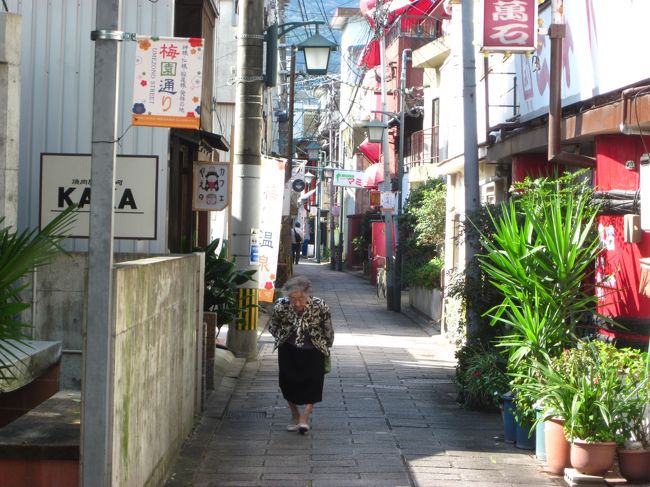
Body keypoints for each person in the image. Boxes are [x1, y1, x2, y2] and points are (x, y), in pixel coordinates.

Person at [268, 276, 334, 434]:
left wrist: (326, 346)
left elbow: (328, 329)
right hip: (288, 349)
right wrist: (282, 336)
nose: (297, 303)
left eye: (301, 299)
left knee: (314, 383)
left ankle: (305, 417)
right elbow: (273, 326)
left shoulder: (320, 306)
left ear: (308, 295)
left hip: (314, 349)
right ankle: (295, 415)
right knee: (287, 383)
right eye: (292, 299)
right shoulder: (280, 306)